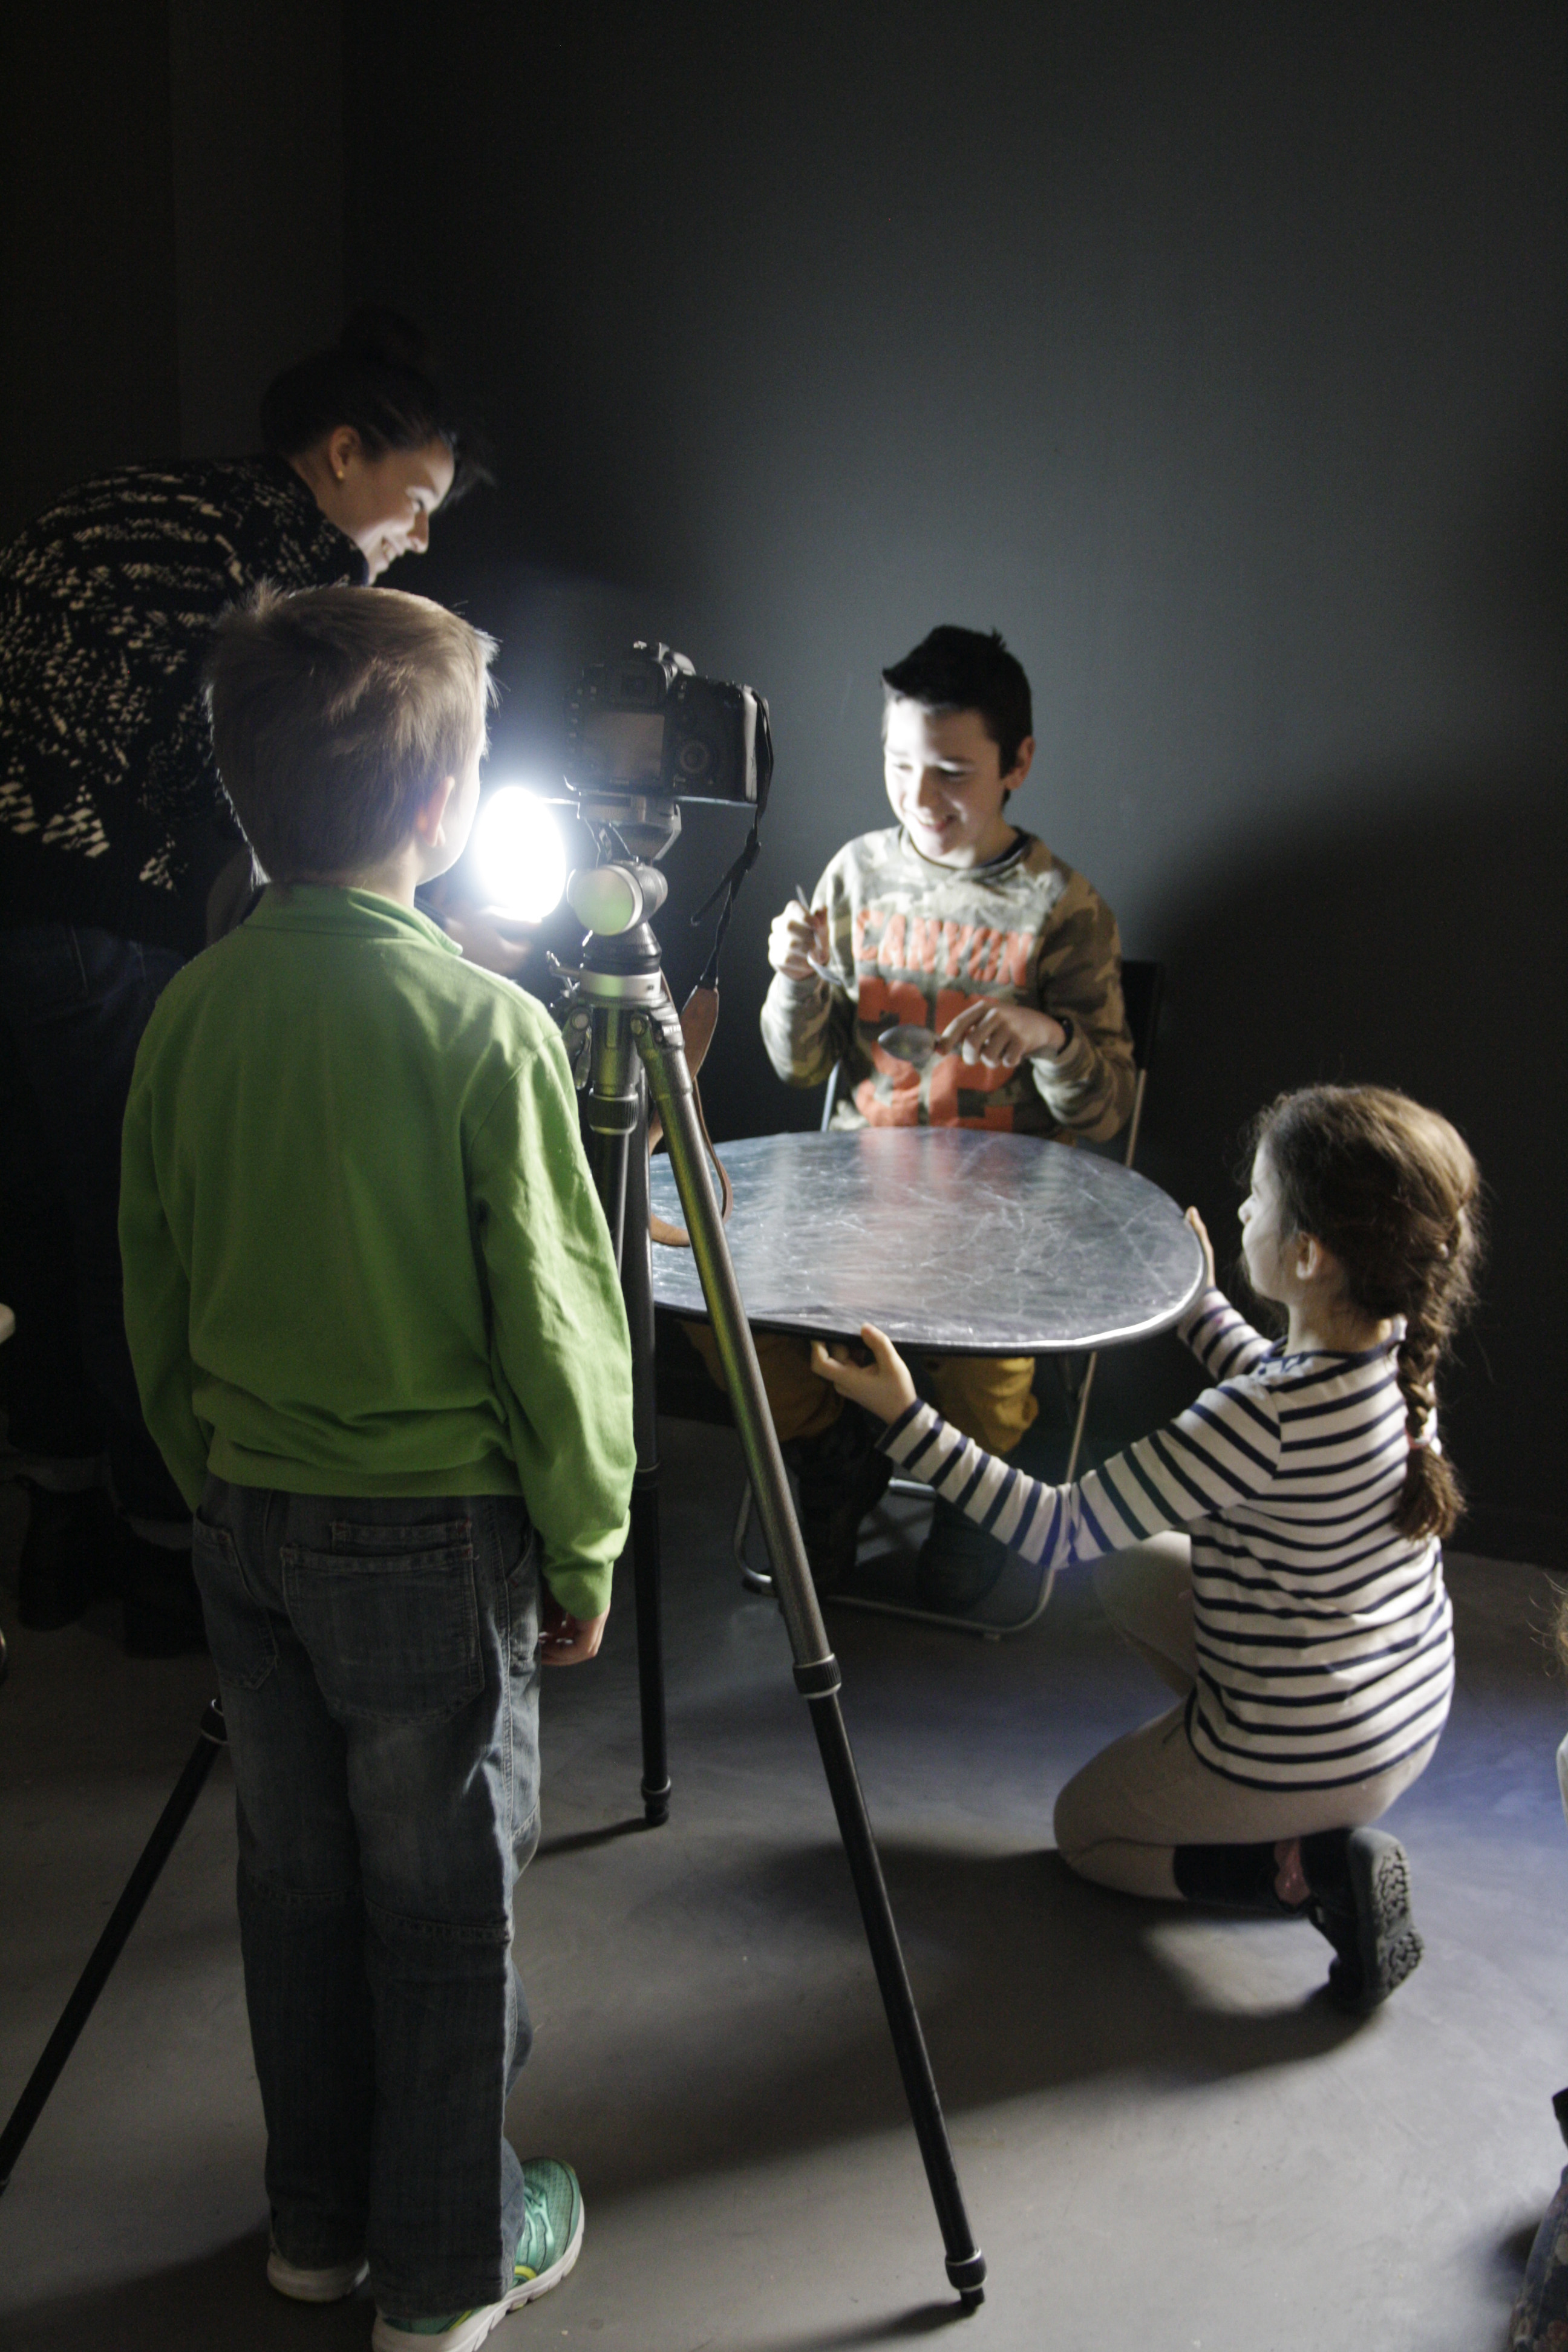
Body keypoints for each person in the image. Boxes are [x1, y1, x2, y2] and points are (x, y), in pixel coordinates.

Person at [119, 583, 635, 2346]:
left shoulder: (190, 1011)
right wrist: (584, 1541)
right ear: (441, 808)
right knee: (442, 1901)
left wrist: (208, 1472)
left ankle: (316, 2226)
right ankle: (446, 2266)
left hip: (244, 1517)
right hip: (431, 1540)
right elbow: (558, 1324)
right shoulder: (489, 1030)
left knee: (295, 1881)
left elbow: (153, 1277)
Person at [0, 307, 480, 1651]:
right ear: (342, 455)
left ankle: (58, 1517)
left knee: (29, 1211)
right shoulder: (291, 561)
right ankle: (167, 1551)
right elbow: (257, 778)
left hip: (15, 892)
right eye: (416, 503)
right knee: (133, 1223)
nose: (417, 540)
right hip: (96, 905)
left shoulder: (156, 503)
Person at [813, 1085, 1481, 2013]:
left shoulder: (1255, 1422)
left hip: (1312, 1747)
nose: (1242, 1212)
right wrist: (1198, 1303)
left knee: (1087, 1834)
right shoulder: (1395, 1357)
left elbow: (1055, 1531)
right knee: (1133, 1569)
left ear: (1307, 1254)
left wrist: (906, 1421)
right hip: (1401, 1707)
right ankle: (1263, 1795)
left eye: (1258, 1199)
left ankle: (1303, 1870)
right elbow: (1280, 1382)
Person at [690, 624, 1134, 1596]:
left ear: (1018, 763)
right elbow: (798, 1062)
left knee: (991, 1367)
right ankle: (830, 1458)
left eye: (953, 773)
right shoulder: (857, 874)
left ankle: (972, 1496)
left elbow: (1107, 1110)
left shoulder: (1061, 907)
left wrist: (1048, 1036)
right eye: (900, 767)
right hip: (853, 1197)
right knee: (707, 1295)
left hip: (999, 1215)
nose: (922, 798)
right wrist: (794, 978)